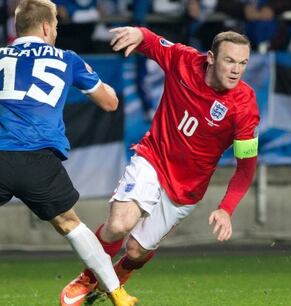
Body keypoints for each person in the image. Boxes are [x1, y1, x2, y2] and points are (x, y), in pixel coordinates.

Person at [61, 25, 260, 303]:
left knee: (135, 251)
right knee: (119, 224)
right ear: (211, 57)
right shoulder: (185, 60)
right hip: (153, 158)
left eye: (243, 63)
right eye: (229, 60)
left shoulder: (245, 105)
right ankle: (89, 277)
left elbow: (246, 167)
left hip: (186, 188)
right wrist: (137, 33)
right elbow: (152, 41)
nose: (236, 70)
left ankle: (118, 275)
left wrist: (226, 209)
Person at [0, 1, 138, 305]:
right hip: (38, 159)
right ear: (47, 27)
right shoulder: (67, 59)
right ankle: (117, 292)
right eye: (56, 28)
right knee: (70, 224)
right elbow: (110, 102)